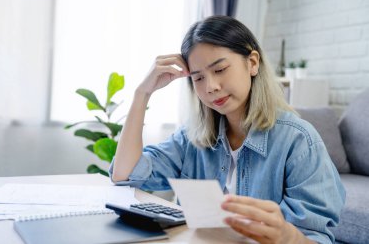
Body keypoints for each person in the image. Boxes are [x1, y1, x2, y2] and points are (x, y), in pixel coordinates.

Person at [109, 15, 345, 244]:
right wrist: (142, 94)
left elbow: (316, 238)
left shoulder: (299, 141)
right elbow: (124, 175)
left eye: (220, 70)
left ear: (252, 63)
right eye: (198, 78)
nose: (211, 86)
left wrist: (286, 236)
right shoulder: (191, 138)